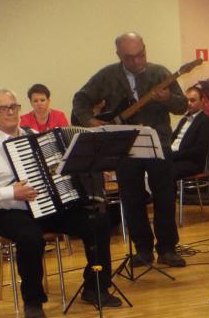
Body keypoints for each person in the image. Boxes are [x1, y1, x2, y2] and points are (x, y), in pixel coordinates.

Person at [0, 89, 118, 318]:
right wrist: (11, 192)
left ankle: (95, 287)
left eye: (14, 106)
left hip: (49, 205)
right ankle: (33, 301)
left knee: (97, 220)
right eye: (3, 108)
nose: (11, 112)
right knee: (30, 237)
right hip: (11, 211)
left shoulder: (33, 135)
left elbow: (55, 168)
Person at [72, 32, 187, 268]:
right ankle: (143, 249)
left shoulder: (159, 73)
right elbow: (80, 99)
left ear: (145, 49)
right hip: (123, 145)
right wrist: (90, 121)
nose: (136, 61)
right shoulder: (107, 76)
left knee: (165, 196)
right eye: (129, 57)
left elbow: (182, 105)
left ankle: (167, 248)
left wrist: (167, 98)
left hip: (158, 143)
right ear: (119, 56)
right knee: (131, 197)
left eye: (140, 55)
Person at [171, 85, 209, 180]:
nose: (188, 103)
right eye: (186, 100)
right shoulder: (184, 120)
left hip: (191, 163)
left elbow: (199, 150)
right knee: (153, 166)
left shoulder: (206, 121)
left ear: (202, 101)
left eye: (192, 100)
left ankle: (168, 191)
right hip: (174, 158)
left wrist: (175, 155)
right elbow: (172, 139)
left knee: (165, 170)